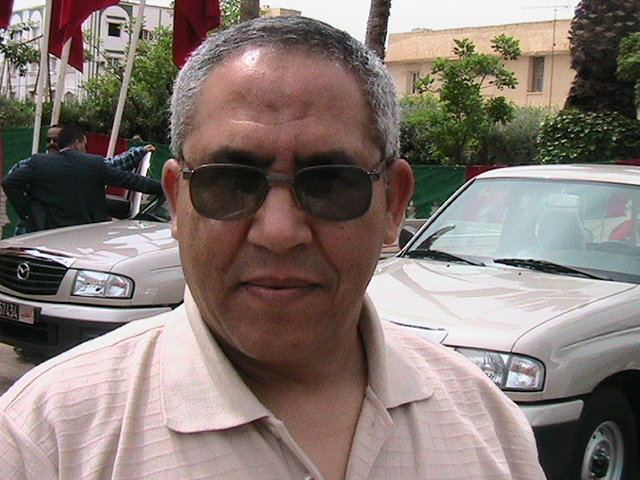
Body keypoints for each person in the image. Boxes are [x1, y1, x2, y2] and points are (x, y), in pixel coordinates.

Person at [0, 16, 546, 480]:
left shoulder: (488, 425)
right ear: (177, 199)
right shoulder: (48, 437)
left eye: (330, 183)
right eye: (229, 181)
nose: (280, 232)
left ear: (394, 203)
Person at [1, 125, 163, 232]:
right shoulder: (94, 164)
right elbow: (132, 181)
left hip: (42, 236)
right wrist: (165, 187)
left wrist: (27, 212)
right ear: (78, 143)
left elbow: (9, 182)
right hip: (84, 238)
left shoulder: (37, 163)